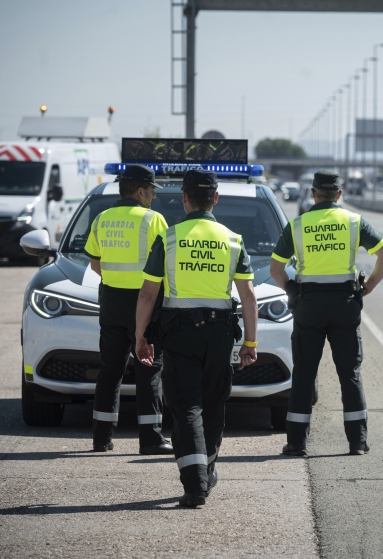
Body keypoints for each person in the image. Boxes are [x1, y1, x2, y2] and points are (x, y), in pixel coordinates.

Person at [134, 169, 259, 508]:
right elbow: (248, 297)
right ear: (216, 199)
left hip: (179, 335)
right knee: (214, 402)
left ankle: (195, 484)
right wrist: (250, 343)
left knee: (186, 405)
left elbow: (148, 295)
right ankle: (208, 469)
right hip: (219, 334)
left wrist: (140, 337)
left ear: (185, 199)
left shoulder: (170, 238)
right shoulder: (233, 240)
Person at [270, 170, 383, 456]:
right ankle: (357, 442)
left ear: (313, 194)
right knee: (349, 372)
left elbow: (275, 270)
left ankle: (297, 443)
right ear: (339, 194)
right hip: (345, 303)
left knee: (303, 373)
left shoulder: (298, 225)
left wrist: (292, 290)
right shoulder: (354, 221)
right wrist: (369, 286)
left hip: (308, 305)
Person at [83, 164, 173, 455]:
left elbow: (95, 264)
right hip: (143, 303)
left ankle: (101, 438)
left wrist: (116, 281)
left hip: (110, 300)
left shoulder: (101, 219)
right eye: (151, 191)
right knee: (149, 369)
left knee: (110, 370)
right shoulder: (153, 220)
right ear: (139, 191)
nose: (154, 197)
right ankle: (150, 439)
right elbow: (165, 266)